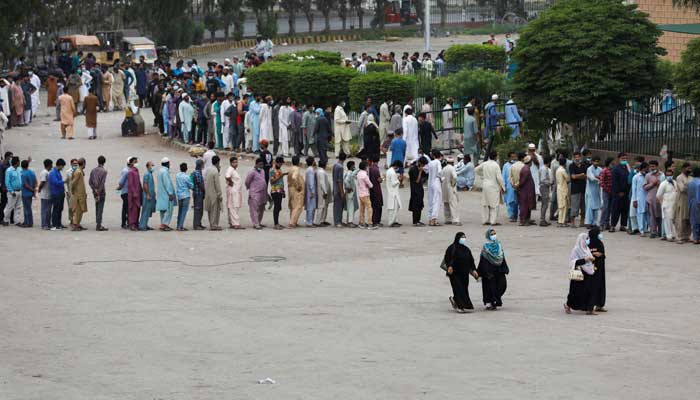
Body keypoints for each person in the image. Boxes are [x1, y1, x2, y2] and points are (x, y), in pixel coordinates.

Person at [444, 232, 478, 313]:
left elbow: (471, 260)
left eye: (464, 237)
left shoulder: (466, 249)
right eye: (462, 237)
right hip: (454, 273)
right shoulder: (452, 248)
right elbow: (447, 258)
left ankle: (457, 301)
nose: (463, 239)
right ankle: (460, 306)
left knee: (464, 289)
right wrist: (449, 266)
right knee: (458, 288)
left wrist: (474, 270)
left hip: (464, 273)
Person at [564, 233, 597, 315]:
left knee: (589, 290)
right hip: (579, 274)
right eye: (586, 239)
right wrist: (585, 260)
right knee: (575, 292)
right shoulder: (576, 249)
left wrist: (592, 259)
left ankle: (589, 308)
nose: (588, 240)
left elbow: (589, 259)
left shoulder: (587, 248)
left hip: (588, 273)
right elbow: (573, 262)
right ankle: (568, 305)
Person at [478, 227, 509, 310]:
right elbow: (483, 260)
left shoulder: (499, 245)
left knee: (502, 285)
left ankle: (495, 299)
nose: (493, 235)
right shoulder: (486, 248)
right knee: (489, 288)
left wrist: (505, 268)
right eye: (491, 234)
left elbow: (502, 257)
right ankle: (491, 302)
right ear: (488, 236)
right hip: (489, 271)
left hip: (499, 270)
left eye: (494, 234)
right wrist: (486, 272)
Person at [474, 151, 505, 226]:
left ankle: (485, 220)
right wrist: (503, 187)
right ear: (495, 157)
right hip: (493, 186)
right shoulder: (496, 165)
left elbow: (476, 169)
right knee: (494, 204)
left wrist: (483, 175)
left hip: (485, 185)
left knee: (485, 203)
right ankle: (493, 221)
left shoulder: (485, 163)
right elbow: (499, 178)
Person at [587, 227, 607, 312]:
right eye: (599, 233)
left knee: (600, 286)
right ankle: (589, 305)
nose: (600, 235)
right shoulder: (586, 244)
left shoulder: (600, 243)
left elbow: (603, 254)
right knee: (591, 286)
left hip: (600, 268)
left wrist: (599, 254)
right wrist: (594, 254)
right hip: (589, 269)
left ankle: (599, 304)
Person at [610, 152, 630, 232]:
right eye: (622, 158)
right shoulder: (616, 169)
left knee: (625, 209)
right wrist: (619, 191)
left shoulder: (627, 168)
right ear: (619, 159)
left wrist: (626, 191)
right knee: (615, 210)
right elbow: (614, 182)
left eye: (625, 159)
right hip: (618, 193)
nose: (624, 160)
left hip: (626, 193)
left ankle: (623, 225)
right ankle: (613, 225)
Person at [246, 158, 268, 230]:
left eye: (262, 164)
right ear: (256, 164)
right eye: (260, 164)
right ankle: (255, 223)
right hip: (254, 193)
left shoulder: (263, 171)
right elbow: (247, 181)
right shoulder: (252, 172)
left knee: (261, 208)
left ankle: (259, 221)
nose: (261, 166)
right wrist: (250, 188)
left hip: (262, 193)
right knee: (254, 209)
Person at [657, 167, 678, 241]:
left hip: (674, 205)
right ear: (665, 176)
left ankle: (672, 235)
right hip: (666, 205)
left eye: (670, 174)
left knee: (672, 220)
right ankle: (668, 236)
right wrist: (663, 203)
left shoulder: (675, 182)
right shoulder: (663, 184)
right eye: (667, 175)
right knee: (667, 221)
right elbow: (658, 195)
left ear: (672, 175)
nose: (669, 176)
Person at [88, 155, 108, 231]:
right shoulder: (104, 171)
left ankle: (98, 223)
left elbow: (90, 182)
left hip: (95, 192)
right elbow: (102, 183)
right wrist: (99, 192)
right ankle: (98, 225)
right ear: (104, 162)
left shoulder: (93, 170)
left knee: (97, 207)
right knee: (100, 208)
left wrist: (94, 190)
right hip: (101, 193)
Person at [224, 156, 244, 229]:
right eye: (234, 162)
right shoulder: (230, 169)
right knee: (233, 207)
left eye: (236, 162)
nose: (235, 164)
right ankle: (236, 223)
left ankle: (232, 222)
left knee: (232, 206)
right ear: (231, 163)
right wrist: (231, 182)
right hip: (233, 191)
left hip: (236, 191)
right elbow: (227, 176)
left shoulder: (234, 170)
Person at [644, 160, 662, 238]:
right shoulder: (648, 175)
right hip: (651, 199)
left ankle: (661, 231)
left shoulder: (662, 175)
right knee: (652, 216)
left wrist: (659, 184)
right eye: (650, 166)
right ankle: (653, 232)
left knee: (660, 216)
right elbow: (644, 187)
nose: (652, 168)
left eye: (653, 166)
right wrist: (652, 184)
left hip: (660, 199)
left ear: (657, 166)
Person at [156, 158, 175, 231]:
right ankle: (164, 224)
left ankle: (163, 223)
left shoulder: (160, 171)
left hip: (161, 193)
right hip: (166, 194)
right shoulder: (165, 172)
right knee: (168, 210)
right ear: (168, 163)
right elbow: (167, 183)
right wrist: (170, 193)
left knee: (163, 210)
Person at [568, 152, 587, 227]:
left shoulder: (584, 165)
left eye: (578, 157)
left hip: (583, 188)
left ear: (580, 157)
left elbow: (586, 176)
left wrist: (578, 176)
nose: (577, 158)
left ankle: (582, 222)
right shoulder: (571, 166)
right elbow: (573, 177)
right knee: (574, 206)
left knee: (583, 207)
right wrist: (581, 175)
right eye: (575, 157)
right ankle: (572, 222)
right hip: (575, 189)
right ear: (573, 157)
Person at [204, 156, 223, 230]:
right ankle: (214, 225)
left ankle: (211, 224)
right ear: (218, 162)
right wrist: (220, 194)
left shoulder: (208, 169)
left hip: (208, 192)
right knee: (215, 210)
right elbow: (217, 184)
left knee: (210, 210)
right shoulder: (215, 171)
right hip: (214, 193)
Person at [675, 162, 692, 243]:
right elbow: (682, 189)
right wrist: (690, 187)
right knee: (681, 219)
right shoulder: (679, 177)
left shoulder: (691, 178)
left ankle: (687, 236)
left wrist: (689, 187)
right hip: (682, 201)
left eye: (690, 168)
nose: (689, 169)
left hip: (690, 201)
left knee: (689, 219)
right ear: (683, 168)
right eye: (688, 168)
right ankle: (679, 237)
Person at [2, 156, 22, 226]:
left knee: (18, 207)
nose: (19, 162)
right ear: (16, 162)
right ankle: (5, 220)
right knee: (10, 207)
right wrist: (11, 191)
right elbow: (7, 182)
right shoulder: (9, 170)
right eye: (19, 161)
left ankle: (17, 221)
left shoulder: (19, 169)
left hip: (19, 191)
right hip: (12, 192)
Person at [441, 157, 460, 226]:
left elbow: (441, 177)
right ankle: (455, 220)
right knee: (453, 204)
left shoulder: (444, 168)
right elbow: (455, 177)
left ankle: (447, 219)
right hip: (451, 188)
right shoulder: (452, 168)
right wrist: (453, 183)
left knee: (446, 204)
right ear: (452, 163)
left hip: (444, 188)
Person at [517, 156, 536, 226]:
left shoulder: (526, 168)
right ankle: (522, 220)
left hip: (527, 190)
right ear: (530, 162)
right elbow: (522, 181)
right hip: (525, 191)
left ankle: (527, 220)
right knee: (524, 206)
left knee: (527, 206)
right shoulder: (526, 170)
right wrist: (519, 187)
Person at [631, 162, 649, 236]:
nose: (647, 170)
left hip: (647, 197)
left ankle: (645, 229)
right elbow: (634, 189)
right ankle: (641, 230)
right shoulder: (636, 177)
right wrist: (634, 200)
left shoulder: (648, 176)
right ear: (642, 169)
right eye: (645, 168)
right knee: (640, 214)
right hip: (639, 198)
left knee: (646, 214)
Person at [48, 159, 66, 230]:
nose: (63, 168)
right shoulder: (52, 173)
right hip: (56, 194)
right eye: (63, 166)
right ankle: (55, 224)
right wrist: (63, 181)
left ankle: (59, 223)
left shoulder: (58, 172)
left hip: (60, 193)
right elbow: (55, 182)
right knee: (56, 209)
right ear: (60, 165)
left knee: (60, 209)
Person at [356, 160, 375, 229]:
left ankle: (361, 222)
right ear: (365, 167)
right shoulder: (365, 175)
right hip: (365, 194)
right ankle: (369, 223)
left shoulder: (358, 174)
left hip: (360, 193)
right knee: (369, 208)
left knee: (362, 208)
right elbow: (370, 185)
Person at [70, 158, 88, 231]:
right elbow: (73, 183)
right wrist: (73, 192)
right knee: (77, 211)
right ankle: (75, 225)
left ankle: (78, 224)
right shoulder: (78, 172)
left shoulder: (80, 171)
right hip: (78, 195)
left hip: (81, 194)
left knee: (80, 210)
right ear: (83, 163)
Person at [287, 155, 305, 228]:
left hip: (290, 188)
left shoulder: (290, 168)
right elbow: (294, 177)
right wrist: (298, 186)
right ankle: (292, 222)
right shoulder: (296, 169)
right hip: (295, 189)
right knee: (298, 206)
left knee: (292, 206)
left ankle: (293, 221)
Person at [270, 156, 287, 230]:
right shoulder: (272, 170)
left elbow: (281, 182)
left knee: (279, 207)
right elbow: (272, 181)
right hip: (275, 191)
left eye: (281, 164)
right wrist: (281, 176)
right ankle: (275, 224)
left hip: (279, 190)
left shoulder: (279, 169)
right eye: (280, 163)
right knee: (277, 207)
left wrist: (283, 191)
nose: (281, 165)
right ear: (276, 162)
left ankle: (277, 223)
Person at [585, 156, 602, 227]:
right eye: (595, 161)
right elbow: (591, 178)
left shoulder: (600, 169)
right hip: (590, 190)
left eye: (598, 161)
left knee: (596, 207)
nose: (596, 163)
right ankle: (588, 222)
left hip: (597, 190)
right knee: (590, 207)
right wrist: (598, 178)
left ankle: (594, 222)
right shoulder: (589, 169)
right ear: (592, 162)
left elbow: (602, 177)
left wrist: (599, 178)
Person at [175, 163, 193, 231]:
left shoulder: (177, 176)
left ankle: (178, 225)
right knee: (184, 211)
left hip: (179, 195)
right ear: (186, 169)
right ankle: (180, 226)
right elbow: (191, 186)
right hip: (185, 195)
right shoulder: (187, 177)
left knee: (180, 211)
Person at [427, 150, 443, 226]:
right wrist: (442, 178)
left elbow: (426, 170)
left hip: (430, 182)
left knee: (431, 200)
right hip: (437, 181)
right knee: (437, 200)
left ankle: (430, 218)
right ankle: (434, 219)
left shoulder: (430, 163)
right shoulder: (438, 162)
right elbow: (440, 172)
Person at [599, 157, 615, 230]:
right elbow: (601, 182)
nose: (613, 163)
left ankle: (607, 223)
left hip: (612, 191)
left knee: (610, 208)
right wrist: (607, 189)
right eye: (612, 162)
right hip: (606, 191)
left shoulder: (613, 170)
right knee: (605, 207)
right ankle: (602, 224)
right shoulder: (604, 171)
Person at [502, 152, 518, 222]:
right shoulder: (505, 166)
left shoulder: (517, 165)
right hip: (509, 187)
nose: (513, 158)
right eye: (512, 157)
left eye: (515, 157)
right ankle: (511, 215)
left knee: (516, 201)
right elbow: (503, 177)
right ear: (509, 158)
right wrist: (503, 187)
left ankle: (517, 214)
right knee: (509, 201)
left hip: (517, 185)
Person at [386, 160, 402, 227]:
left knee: (395, 207)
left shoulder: (389, 170)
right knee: (393, 208)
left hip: (392, 192)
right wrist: (399, 180)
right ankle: (391, 222)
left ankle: (395, 221)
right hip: (393, 193)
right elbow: (393, 183)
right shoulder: (392, 173)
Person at [139, 161, 155, 231]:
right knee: (145, 211)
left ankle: (145, 224)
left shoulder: (150, 174)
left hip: (150, 195)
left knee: (148, 211)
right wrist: (148, 194)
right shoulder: (146, 174)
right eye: (152, 165)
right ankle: (142, 226)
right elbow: (145, 185)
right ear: (148, 166)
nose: (153, 167)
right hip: (147, 196)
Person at [20, 159, 36, 227]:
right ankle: (29, 221)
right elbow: (35, 181)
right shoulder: (31, 172)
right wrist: (33, 190)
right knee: (29, 207)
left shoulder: (23, 174)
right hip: (30, 193)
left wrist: (31, 190)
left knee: (26, 208)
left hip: (25, 193)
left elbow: (25, 184)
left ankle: (27, 222)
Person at [556, 155, 571, 227]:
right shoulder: (563, 170)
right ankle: (562, 221)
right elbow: (568, 179)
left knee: (560, 206)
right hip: (563, 189)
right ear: (565, 163)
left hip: (559, 188)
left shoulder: (558, 170)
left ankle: (560, 221)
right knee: (564, 206)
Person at [191, 159, 206, 230]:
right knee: (198, 210)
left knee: (199, 209)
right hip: (198, 194)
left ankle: (199, 223)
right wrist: (204, 191)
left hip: (196, 193)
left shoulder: (194, 172)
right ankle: (196, 225)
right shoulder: (197, 173)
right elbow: (200, 184)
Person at [38, 159, 53, 230]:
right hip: (45, 195)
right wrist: (39, 189)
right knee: (45, 210)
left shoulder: (48, 172)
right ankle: (44, 225)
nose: (52, 166)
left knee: (48, 210)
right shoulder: (45, 173)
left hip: (48, 194)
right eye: (51, 165)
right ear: (49, 165)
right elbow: (43, 182)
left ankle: (48, 224)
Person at [343, 160, 359, 227]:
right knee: (351, 208)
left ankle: (348, 221)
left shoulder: (347, 172)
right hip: (350, 193)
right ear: (352, 166)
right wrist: (349, 188)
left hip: (348, 193)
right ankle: (350, 222)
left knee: (349, 207)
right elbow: (346, 181)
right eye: (354, 166)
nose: (354, 167)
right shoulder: (349, 173)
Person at [332, 153, 346, 227]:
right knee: (339, 206)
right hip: (338, 189)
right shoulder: (340, 167)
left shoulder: (335, 165)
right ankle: (338, 222)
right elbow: (339, 181)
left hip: (334, 188)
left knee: (336, 206)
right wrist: (342, 192)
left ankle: (337, 220)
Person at [539, 155, 553, 226]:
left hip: (544, 187)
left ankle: (543, 219)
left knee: (544, 204)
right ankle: (542, 220)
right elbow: (543, 179)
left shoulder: (544, 168)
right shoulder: (544, 169)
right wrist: (550, 182)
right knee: (545, 204)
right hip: (544, 187)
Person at [304, 156, 318, 227]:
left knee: (310, 206)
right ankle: (309, 222)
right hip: (311, 191)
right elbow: (311, 181)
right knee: (311, 207)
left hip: (309, 190)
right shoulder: (311, 170)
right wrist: (312, 191)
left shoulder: (309, 169)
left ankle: (310, 221)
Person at [688, 167, 700, 244]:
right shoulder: (699, 183)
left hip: (691, 203)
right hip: (698, 203)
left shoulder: (690, 183)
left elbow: (688, 195)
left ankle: (695, 238)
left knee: (694, 221)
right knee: (699, 221)